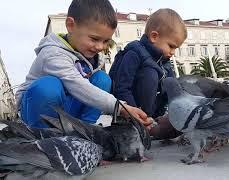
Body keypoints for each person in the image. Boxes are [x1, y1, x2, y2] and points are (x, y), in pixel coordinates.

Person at [15, 0, 151, 128]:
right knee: (48, 87)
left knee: (102, 79)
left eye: (105, 41)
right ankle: (43, 135)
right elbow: (78, 86)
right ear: (71, 25)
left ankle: (84, 128)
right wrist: (120, 107)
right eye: (94, 39)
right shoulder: (53, 53)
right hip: (36, 110)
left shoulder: (90, 55)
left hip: (65, 109)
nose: (99, 46)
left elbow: (87, 90)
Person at [109, 8, 187, 139]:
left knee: (171, 83)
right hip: (131, 110)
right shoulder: (133, 54)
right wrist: (134, 112)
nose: (173, 52)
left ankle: (154, 123)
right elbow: (121, 87)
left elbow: (171, 90)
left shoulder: (164, 61)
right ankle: (141, 124)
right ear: (154, 36)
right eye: (171, 46)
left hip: (154, 112)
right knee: (150, 73)